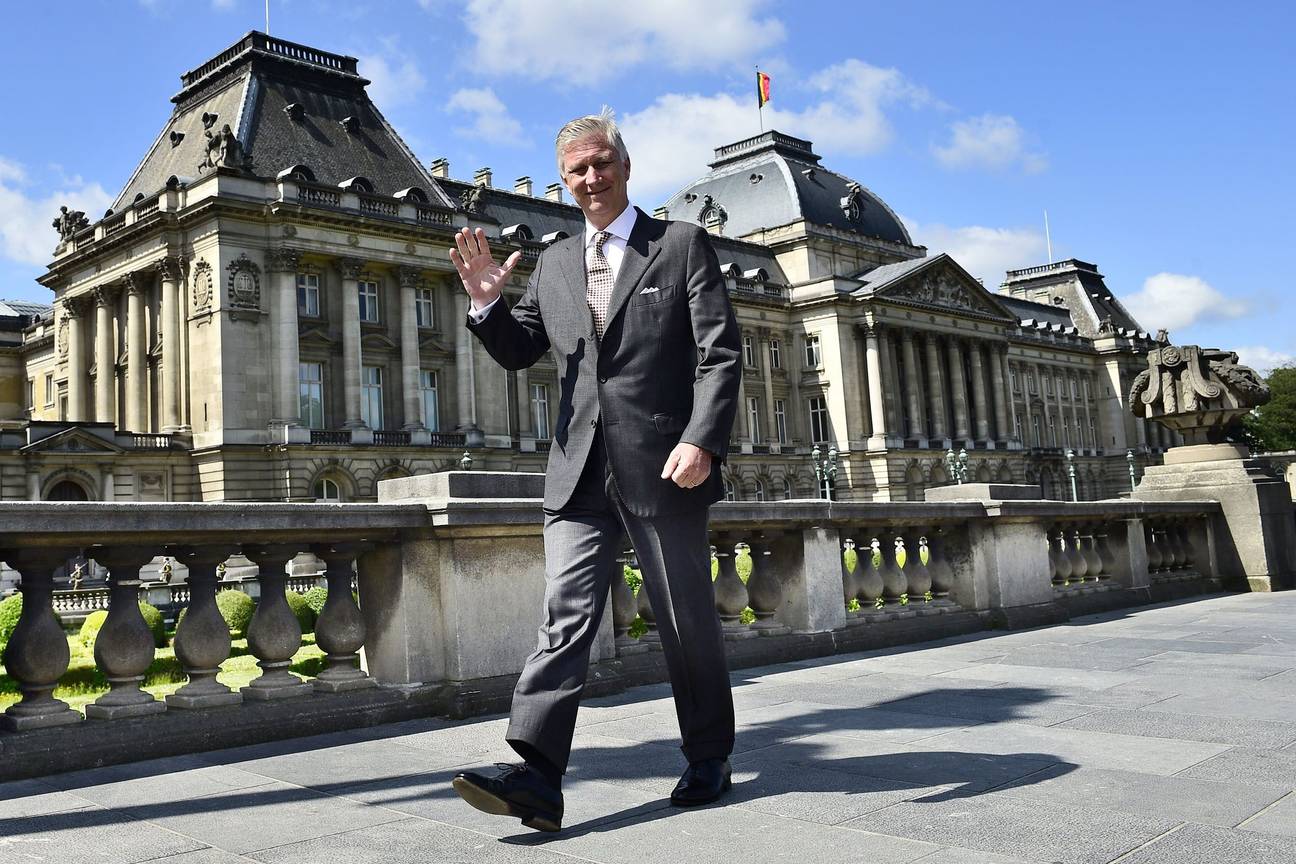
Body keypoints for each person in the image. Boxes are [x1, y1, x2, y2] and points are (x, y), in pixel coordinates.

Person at [447, 109, 741, 833]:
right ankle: (537, 774)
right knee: (564, 618)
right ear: (564, 180)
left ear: (625, 167)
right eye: (576, 169)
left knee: (685, 620)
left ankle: (709, 754)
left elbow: (720, 354)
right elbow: (522, 351)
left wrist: (702, 440)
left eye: (601, 163)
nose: (590, 177)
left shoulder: (678, 245)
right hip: (576, 469)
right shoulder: (553, 264)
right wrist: (486, 303)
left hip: (665, 464)